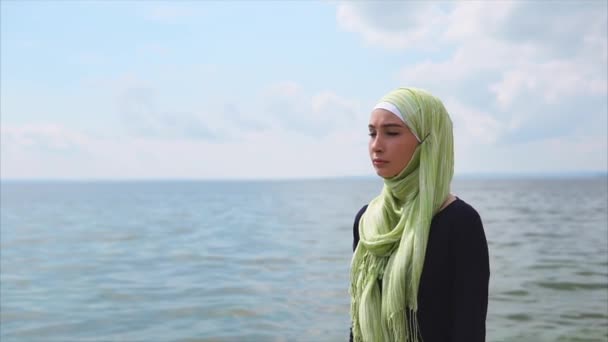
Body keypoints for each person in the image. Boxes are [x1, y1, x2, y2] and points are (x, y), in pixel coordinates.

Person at [349, 87, 490, 342]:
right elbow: (358, 321)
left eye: (391, 133)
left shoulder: (460, 222)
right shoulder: (367, 221)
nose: (376, 146)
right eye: (372, 133)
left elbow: (469, 328)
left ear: (429, 140)